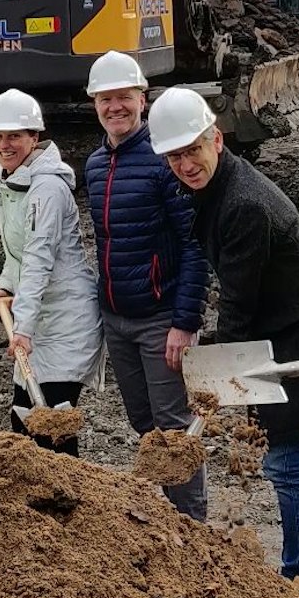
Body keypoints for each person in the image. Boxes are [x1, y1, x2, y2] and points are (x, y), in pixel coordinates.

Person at [149, 87, 299, 585]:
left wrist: (218, 379)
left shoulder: (243, 206)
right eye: (174, 156)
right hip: (288, 325)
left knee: (283, 460)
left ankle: (296, 581)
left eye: (193, 150)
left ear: (216, 138)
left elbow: (238, 304)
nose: (186, 164)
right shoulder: (217, 190)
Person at [81, 51, 208, 519]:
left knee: (174, 429)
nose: (115, 107)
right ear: (95, 103)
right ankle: (165, 517)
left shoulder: (162, 162)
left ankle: (192, 530)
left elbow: (194, 247)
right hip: (117, 318)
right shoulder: (95, 166)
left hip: (160, 319)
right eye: (105, 98)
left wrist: (185, 321)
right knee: (143, 423)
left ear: (142, 98)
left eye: (124, 97)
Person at [0, 89, 103, 455]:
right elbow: (15, 253)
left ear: (34, 138)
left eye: (15, 136)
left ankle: (69, 505)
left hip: (66, 318)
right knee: (23, 420)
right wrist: (4, 288)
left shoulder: (46, 187)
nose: (5, 144)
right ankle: (34, 509)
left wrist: (23, 329)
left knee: (53, 425)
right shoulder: (8, 180)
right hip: (39, 316)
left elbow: (39, 258)